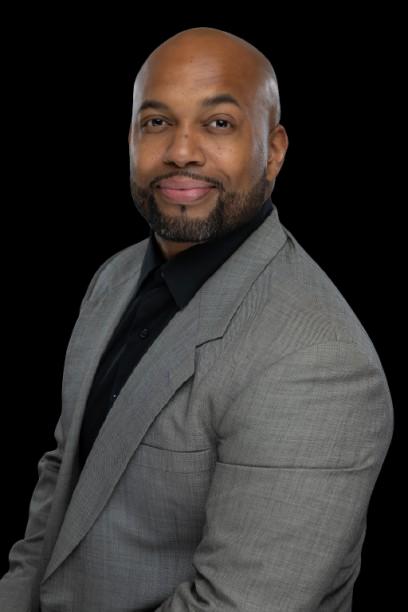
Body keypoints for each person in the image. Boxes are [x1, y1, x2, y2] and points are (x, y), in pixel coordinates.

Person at [0, 26, 393, 612]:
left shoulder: (317, 360)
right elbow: (64, 474)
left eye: (219, 123)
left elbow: (235, 605)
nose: (181, 151)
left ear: (274, 151)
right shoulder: (114, 278)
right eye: (157, 121)